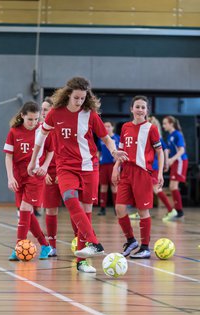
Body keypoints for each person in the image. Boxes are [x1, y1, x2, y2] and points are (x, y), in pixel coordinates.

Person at [28, 77, 128, 273]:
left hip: (90, 167)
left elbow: (106, 138)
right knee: (69, 199)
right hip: (65, 167)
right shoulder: (55, 113)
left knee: (86, 210)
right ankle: (94, 242)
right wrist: (33, 161)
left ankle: (82, 261)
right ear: (68, 95)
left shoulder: (90, 115)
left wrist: (114, 151)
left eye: (83, 98)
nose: (79, 101)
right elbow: (41, 137)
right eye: (76, 98)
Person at [112, 95, 164, 259]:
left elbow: (159, 151)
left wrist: (160, 172)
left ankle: (145, 247)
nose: (140, 110)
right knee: (119, 208)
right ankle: (131, 240)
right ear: (131, 109)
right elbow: (121, 152)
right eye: (137, 106)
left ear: (146, 110)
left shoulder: (151, 128)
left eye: (143, 107)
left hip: (142, 173)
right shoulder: (125, 127)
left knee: (143, 211)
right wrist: (116, 168)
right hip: (126, 172)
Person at [4, 101, 53, 261]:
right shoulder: (14, 131)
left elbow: (51, 150)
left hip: (35, 176)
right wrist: (10, 177)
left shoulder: (43, 130)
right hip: (19, 177)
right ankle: (45, 245)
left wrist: (45, 167)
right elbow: (8, 156)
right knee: (27, 214)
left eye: (36, 119)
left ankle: (19, 247)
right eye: (30, 119)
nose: (33, 123)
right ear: (23, 116)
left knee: (25, 209)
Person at [41, 97, 78, 257]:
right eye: (42, 109)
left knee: (74, 208)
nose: (43, 112)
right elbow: (35, 154)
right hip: (47, 175)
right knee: (51, 210)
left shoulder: (62, 128)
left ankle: (80, 242)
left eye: (46, 109)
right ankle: (52, 246)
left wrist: (62, 172)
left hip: (66, 172)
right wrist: (43, 172)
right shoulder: (40, 131)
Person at [129, 116, 176, 221]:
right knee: (143, 190)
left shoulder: (154, 135)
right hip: (146, 167)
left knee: (156, 189)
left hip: (152, 168)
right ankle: (141, 211)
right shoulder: (146, 135)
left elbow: (165, 150)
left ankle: (170, 210)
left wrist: (166, 164)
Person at [162, 115, 188, 220]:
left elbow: (182, 150)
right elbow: (168, 150)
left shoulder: (177, 134)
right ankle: (178, 210)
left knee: (173, 186)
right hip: (175, 162)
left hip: (180, 161)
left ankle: (179, 211)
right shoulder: (169, 135)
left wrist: (172, 159)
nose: (163, 126)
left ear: (171, 124)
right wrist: (166, 162)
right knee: (172, 187)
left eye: (165, 123)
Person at [97, 121, 120, 216]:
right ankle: (102, 208)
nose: (106, 128)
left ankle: (116, 208)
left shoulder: (117, 138)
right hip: (103, 165)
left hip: (113, 165)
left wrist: (118, 165)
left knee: (114, 186)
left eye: (108, 126)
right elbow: (98, 152)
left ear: (112, 127)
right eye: (105, 126)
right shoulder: (101, 139)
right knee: (103, 186)